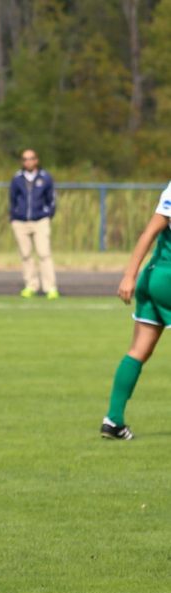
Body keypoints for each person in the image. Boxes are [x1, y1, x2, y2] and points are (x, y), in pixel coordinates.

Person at [100, 182, 171, 440]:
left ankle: (113, 420)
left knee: (139, 351)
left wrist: (129, 276)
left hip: (151, 277)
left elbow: (148, 233)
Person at [9, 149, 59, 299]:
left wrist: (47, 214)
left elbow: (52, 199)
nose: (28, 162)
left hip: (40, 220)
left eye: (31, 159)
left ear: (36, 160)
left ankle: (50, 287)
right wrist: (14, 216)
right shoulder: (17, 178)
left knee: (44, 254)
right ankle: (31, 285)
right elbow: (12, 199)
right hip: (21, 221)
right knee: (25, 255)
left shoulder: (45, 177)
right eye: (25, 159)